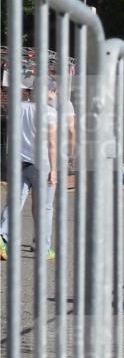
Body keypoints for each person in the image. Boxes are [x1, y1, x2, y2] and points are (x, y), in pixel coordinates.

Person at [1, 82, 58, 261]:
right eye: (54, 91)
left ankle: (3, 237)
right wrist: (54, 169)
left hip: (18, 161)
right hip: (42, 164)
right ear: (49, 91)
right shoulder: (50, 112)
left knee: (14, 202)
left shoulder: (19, 106)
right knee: (45, 207)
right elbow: (52, 143)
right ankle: (43, 246)